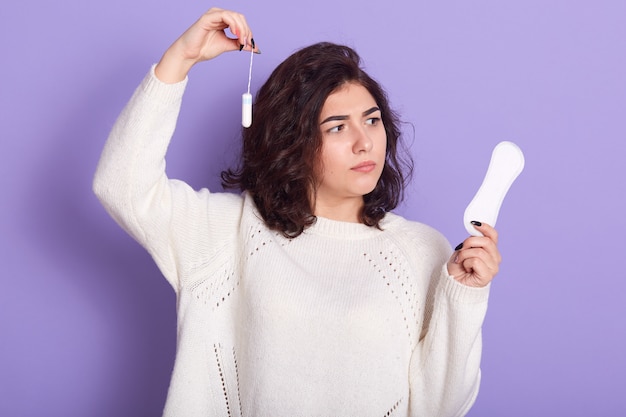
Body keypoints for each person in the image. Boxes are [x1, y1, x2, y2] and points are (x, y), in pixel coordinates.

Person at [93, 7, 501, 417]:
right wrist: (180, 58)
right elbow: (121, 186)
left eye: (372, 120)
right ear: (292, 142)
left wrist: (463, 298)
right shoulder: (224, 232)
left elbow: (441, 407)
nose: (365, 143)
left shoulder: (423, 250)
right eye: (338, 127)